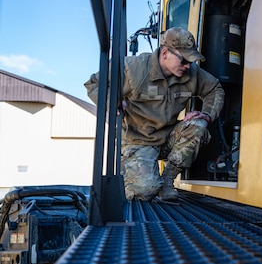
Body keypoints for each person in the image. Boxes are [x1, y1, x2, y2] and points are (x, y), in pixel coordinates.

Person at [84, 27, 224, 201]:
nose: (188, 65)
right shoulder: (132, 69)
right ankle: (133, 175)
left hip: (168, 139)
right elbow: (93, 84)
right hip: (138, 140)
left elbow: (214, 89)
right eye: (184, 60)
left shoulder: (191, 73)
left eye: (191, 60)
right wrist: (111, 103)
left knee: (198, 126)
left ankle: (167, 183)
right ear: (165, 53)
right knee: (146, 191)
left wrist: (207, 114)